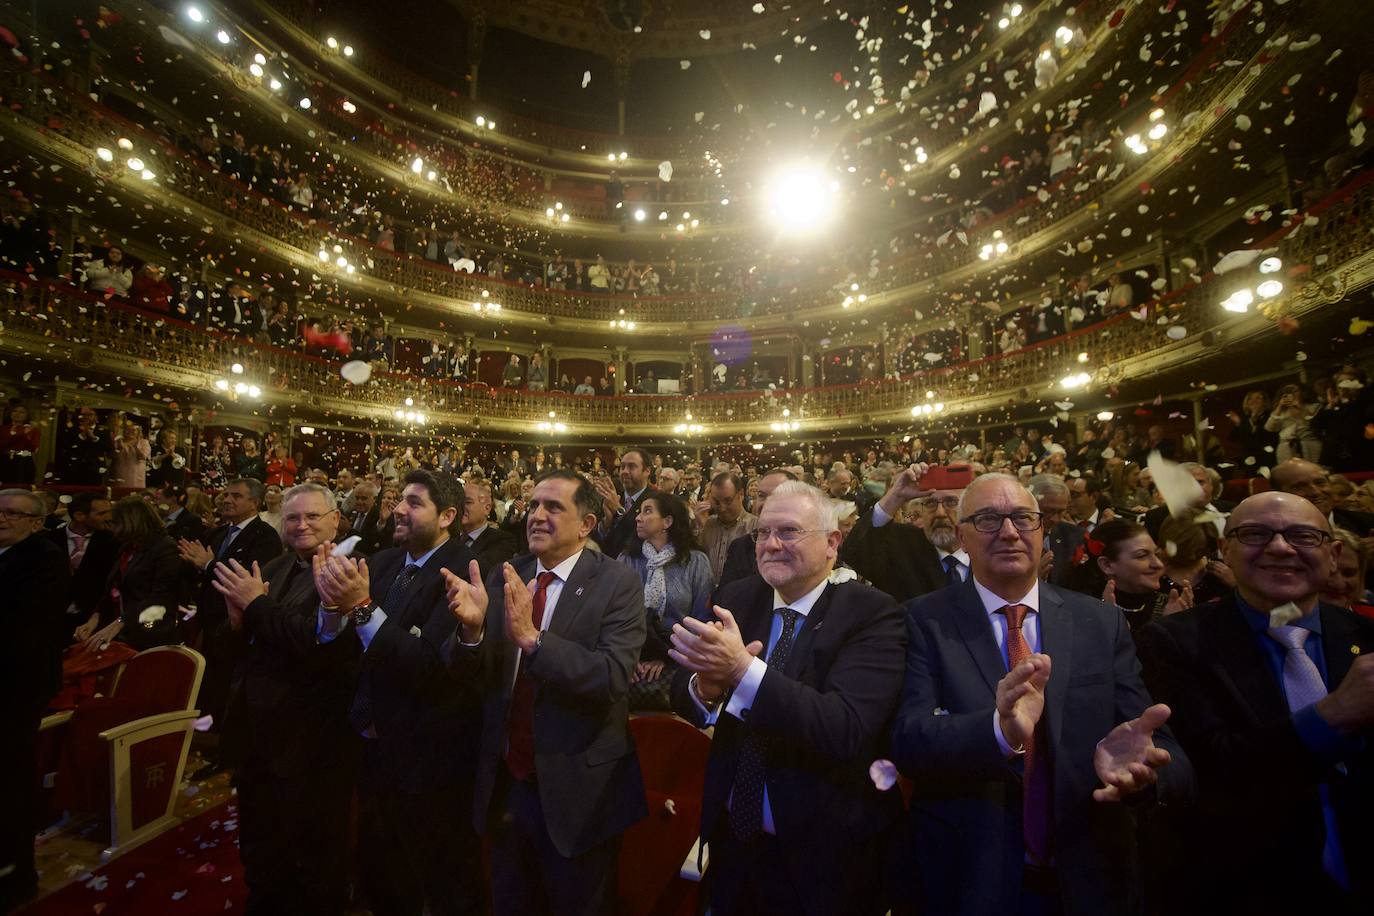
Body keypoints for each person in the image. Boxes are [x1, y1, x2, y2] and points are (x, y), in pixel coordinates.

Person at [890, 473, 1193, 915]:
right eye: (989, 519)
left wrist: (1144, 776)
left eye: (1023, 518)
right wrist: (998, 731)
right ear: (961, 536)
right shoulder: (921, 621)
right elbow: (909, 740)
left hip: (1091, 876)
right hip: (970, 879)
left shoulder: (1098, 622)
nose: (1010, 532)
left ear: (1041, 529)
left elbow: (1164, 752)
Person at [668, 481, 906, 914]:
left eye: (789, 532)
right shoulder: (737, 597)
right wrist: (704, 687)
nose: (771, 544)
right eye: (762, 533)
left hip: (826, 857)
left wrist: (742, 670)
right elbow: (684, 686)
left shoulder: (872, 612)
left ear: (832, 543)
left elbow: (844, 727)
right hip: (732, 847)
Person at [1137, 492, 1374, 913]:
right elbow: (1210, 765)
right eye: (1255, 534)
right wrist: (1333, 715)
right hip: (1249, 887)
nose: (1280, 547)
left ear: (1334, 554)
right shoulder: (1175, 641)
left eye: (1302, 535)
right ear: (1224, 550)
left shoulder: (1365, 637)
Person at [444, 469, 647, 916]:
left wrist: (535, 642)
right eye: (534, 505)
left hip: (578, 795)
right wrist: (473, 631)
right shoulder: (505, 574)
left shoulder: (618, 583)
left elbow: (612, 677)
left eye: (553, 507)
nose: (537, 515)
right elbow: (461, 672)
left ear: (587, 524)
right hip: (506, 785)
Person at [314, 469, 485, 916]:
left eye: (414, 503)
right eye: (400, 500)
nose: (398, 510)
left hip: (427, 751)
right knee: (378, 864)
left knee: (430, 872)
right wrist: (332, 610)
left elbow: (426, 665)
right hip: (371, 739)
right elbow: (353, 648)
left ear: (447, 516)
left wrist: (363, 608)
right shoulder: (387, 562)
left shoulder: (461, 575)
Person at [211, 483, 359, 916]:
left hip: (313, 739)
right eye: (292, 517)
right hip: (257, 732)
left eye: (313, 516)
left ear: (335, 519)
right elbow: (233, 650)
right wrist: (237, 624)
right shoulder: (271, 568)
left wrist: (255, 607)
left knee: (313, 852)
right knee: (260, 843)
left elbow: (317, 646)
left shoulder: (349, 571)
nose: (301, 525)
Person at [0, 489, 70, 910]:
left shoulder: (43, 558)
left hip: (14, 687)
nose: (3, 518)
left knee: (8, 783)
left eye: (13, 513)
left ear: (34, 522)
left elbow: (27, 627)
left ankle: (13, 875)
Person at [176, 479, 283, 742]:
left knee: (228, 682)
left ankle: (224, 741)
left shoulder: (264, 536)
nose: (226, 499)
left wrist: (209, 563)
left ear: (255, 503)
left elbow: (248, 580)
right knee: (208, 678)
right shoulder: (218, 533)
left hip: (238, 624)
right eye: (225, 494)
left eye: (236, 496)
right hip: (209, 620)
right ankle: (205, 733)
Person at [617, 492, 712, 711]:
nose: (638, 518)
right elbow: (613, 616)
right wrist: (628, 659)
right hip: (630, 662)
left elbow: (701, 621)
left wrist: (667, 658)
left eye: (647, 511)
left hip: (679, 661)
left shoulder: (695, 562)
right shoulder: (626, 559)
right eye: (639, 512)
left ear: (667, 521)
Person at [840, 463, 964, 603]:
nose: (940, 513)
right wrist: (895, 496)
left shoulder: (987, 549)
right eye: (930, 503)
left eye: (951, 502)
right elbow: (854, 551)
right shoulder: (903, 548)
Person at [78, 497, 183, 651]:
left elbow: (160, 598)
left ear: (131, 522)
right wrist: (95, 617)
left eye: (115, 523)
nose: (111, 528)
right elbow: (115, 589)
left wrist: (121, 622)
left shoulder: (165, 548)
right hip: (125, 632)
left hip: (150, 635)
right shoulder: (127, 547)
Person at [1064, 518, 1194, 638]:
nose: (1158, 564)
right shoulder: (1079, 608)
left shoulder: (1170, 604)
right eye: (1142, 555)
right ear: (1107, 565)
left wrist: (1176, 628)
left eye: (1156, 554)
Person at [50, 493, 120, 644]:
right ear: (79, 515)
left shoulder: (113, 542)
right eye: (102, 513)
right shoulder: (49, 540)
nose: (109, 517)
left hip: (91, 623)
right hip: (50, 620)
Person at [718, 469, 798, 588]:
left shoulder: (808, 543)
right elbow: (723, 596)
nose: (766, 503)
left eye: (777, 495)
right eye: (761, 495)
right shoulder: (740, 548)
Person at [594, 448, 657, 558]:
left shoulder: (656, 500)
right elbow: (596, 541)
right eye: (622, 467)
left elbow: (643, 537)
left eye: (632, 467)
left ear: (647, 471)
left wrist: (618, 511)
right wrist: (606, 524)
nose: (625, 471)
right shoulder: (612, 497)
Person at [696, 471, 758, 584]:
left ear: (741, 495)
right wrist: (701, 527)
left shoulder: (756, 527)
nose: (722, 508)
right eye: (716, 502)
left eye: (728, 501)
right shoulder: (708, 524)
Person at [1027, 473, 1087, 585]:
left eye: (1060, 512)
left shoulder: (1075, 537)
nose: (1055, 519)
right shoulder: (1009, 536)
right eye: (1047, 511)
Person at [458, 480, 518, 574]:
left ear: (487, 508)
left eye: (468, 502)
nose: (461, 507)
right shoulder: (451, 538)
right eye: (459, 502)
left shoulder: (502, 540)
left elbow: (484, 571)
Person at [1265, 383, 1321, 463]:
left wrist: (1299, 407)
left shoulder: (1314, 406)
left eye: (1294, 391)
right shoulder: (1281, 412)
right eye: (1287, 392)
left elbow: (1314, 423)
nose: (1291, 394)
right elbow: (1270, 428)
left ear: (1302, 392)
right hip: (1287, 449)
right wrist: (1279, 407)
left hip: (1309, 446)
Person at [0, 404, 40, 486]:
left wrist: (25, 435)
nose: (17, 414)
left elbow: (33, 448)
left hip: (24, 461)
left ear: (26, 416)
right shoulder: (3, 429)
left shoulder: (33, 430)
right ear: (10, 413)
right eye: (15, 411)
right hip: (5, 461)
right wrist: (19, 434)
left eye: (22, 412)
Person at [110, 417, 151, 489]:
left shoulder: (143, 442)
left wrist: (135, 447)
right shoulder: (118, 441)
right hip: (120, 476)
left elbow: (142, 457)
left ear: (138, 432)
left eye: (133, 430)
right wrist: (118, 445)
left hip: (136, 478)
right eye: (128, 429)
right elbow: (112, 457)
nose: (130, 431)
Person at [146, 427, 189, 493]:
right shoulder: (155, 449)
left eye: (175, 438)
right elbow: (152, 462)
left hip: (176, 481)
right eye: (171, 438)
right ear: (164, 439)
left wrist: (172, 454)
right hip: (158, 482)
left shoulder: (180, 450)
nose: (174, 440)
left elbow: (183, 464)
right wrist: (166, 454)